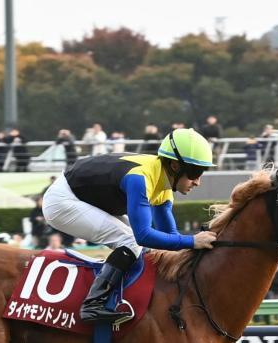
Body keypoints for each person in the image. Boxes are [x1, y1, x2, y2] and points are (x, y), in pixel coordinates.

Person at [42, 128, 217, 323]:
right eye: (195, 172)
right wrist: (193, 241)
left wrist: (191, 252)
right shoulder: (140, 178)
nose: (198, 182)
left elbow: (170, 236)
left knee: (139, 244)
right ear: (175, 166)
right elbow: (144, 235)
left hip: (85, 197)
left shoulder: (164, 184)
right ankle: (93, 305)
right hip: (62, 200)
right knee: (130, 239)